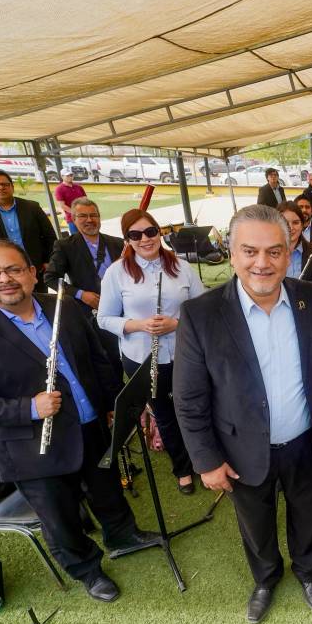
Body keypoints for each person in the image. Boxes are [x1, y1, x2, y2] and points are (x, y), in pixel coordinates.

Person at [0, 240, 158, 603]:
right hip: (32, 447)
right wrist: (30, 409)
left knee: (106, 488)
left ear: (32, 272)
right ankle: (87, 569)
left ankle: (123, 536)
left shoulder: (62, 307)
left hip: (90, 424)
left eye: (13, 269)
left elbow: (96, 359)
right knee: (60, 515)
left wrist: (110, 402)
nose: (4, 279)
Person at [174, 204, 312, 624]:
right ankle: (266, 578)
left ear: (290, 252)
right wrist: (205, 461)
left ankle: (308, 573)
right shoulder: (201, 316)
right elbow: (189, 398)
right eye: (250, 251)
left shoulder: (311, 297)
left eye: (274, 251)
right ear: (231, 254)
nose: (262, 262)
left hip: (305, 441)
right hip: (240, 450)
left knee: (306, 514)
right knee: (255, 524)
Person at [97, 210, 205, 494]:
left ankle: (204, 460)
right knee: (165, 414)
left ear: (159, 232)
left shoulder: (181, 266)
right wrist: (138, 325)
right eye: (135, 234)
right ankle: (182, 468)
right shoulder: (116, 273)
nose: (145, 239)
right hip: (142, 357)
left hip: (184, 352)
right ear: (127, 240)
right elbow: (104, 318)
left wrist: (176, 324)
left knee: (194, 407)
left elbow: (204, 307)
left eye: (150, 231)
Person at [44, 198, 125, 378]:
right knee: (109, 359)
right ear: (73, 219)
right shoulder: (65, 246)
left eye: (93, 215)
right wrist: (81, 295)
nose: (89, 220)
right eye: (83, 216)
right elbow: (50, 278)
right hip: (92, 311)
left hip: (123, 307)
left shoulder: (117, 243)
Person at [0, 170, 57, 288]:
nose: (1, 188)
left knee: (39, 298)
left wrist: (48, 261)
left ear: (12, 187)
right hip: (0, 269)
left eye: (5, 184)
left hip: (34, 266)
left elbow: (49, 235)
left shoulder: (32, 207)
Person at [278, 201, 312, 297]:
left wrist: (310, 299)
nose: (290, 228)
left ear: (302, 224)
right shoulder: (268, 254)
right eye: (285, 223)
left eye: (296, 222)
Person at [53, 170, 87, 235]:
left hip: (84, 216)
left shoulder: (78, 187)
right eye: (67, 176)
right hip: (72, 218)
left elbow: (85, 200)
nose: (70, 177)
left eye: (71, 175)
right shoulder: (59, 189)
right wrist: (75, 212)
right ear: (62, 176)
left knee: (87, 235)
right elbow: (62, 205)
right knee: (76, 238)